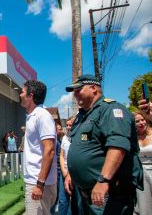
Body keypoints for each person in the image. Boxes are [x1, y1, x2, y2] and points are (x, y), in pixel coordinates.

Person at [64, 74, 143, 214]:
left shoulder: (111, 110)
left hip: (107, 195)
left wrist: (103, 180)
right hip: (85, 195)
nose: (75, 95)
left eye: (78, 90)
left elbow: (118, 147)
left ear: (93, 88)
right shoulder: (84, 115)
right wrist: (72, 174)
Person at [20, 80, 57, 214]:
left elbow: (50, 150)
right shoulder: (33, 116)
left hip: (40, 183)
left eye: (22, 92)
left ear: (31, 95)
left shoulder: (42, 115)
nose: (20, 94)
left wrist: (39, 184)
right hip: (37, 181)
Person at [134, 110, 152, 215]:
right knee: (144, 207)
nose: (141, 123)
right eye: (137, 121)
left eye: (142, 120)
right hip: (140, 175)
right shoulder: (132, 138)